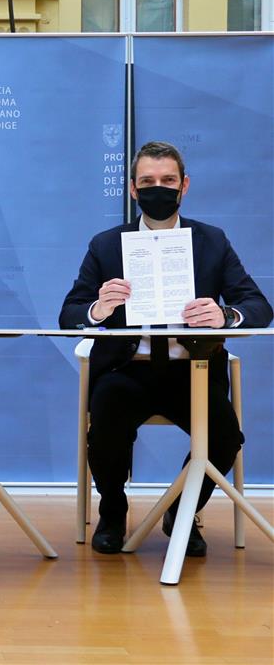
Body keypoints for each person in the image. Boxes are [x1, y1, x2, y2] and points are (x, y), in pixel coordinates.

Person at [59, 141, 271, 556]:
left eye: (168, 180)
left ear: (184, 185)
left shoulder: (212, 241)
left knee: (225, 437)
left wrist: (225, 315)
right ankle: (113, 511)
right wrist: (99, 309)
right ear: (133, 189)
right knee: (105, 428)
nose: (158, 188)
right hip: (126, 369)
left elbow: (258, 306)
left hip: (192, 372)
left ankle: (181, 510)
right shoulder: (106, 244)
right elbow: (70, 315)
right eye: (148, 181)